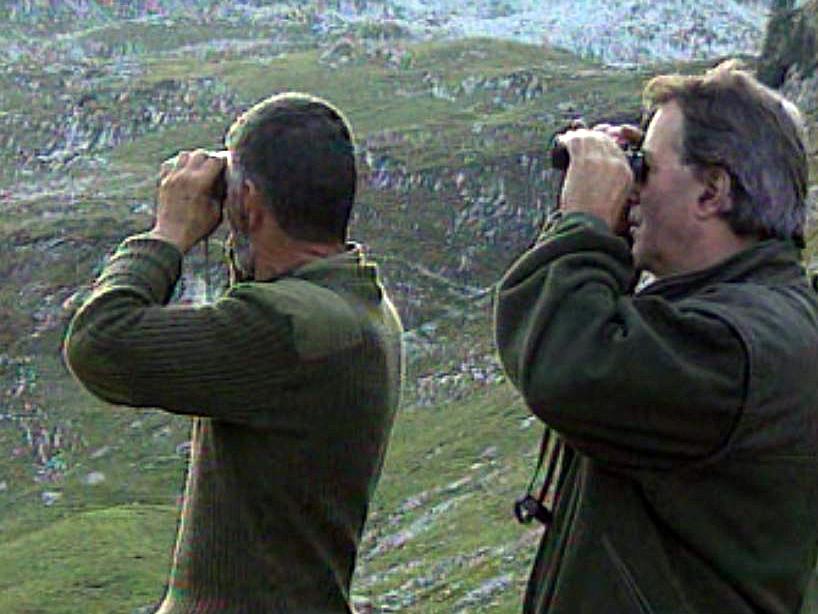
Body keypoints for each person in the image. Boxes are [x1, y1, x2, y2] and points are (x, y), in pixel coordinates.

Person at [494, 60, 818, 613]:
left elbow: (567, 368)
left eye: (644, 168)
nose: (632, 189)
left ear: (712, 191)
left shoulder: (739, 345)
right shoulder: (746, 313)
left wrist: (587, 223)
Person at [63, 92, 404, 613]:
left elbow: (99, 344)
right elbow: (257, 300)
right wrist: (247, 218)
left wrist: (167, 234)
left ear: (248, 203)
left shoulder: (292, 328)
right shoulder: (356, 303)